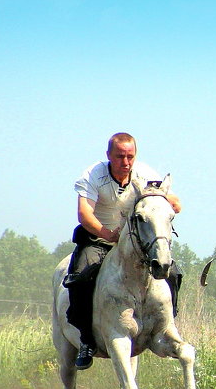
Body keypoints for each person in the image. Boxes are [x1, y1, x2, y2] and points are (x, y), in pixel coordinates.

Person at [64, 132, 183, 370]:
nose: (125, 162)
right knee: (80, 277)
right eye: (120, 156)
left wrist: (170, 202)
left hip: (134, 244)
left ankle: (165, 325)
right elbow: (84, 214)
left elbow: (172, 201)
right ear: (109, 155)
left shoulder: (146, 174)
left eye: (130, 156)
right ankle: (86, 339)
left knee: (173, 272)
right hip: (98, 239)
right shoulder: (93, 175)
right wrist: (108, 234)